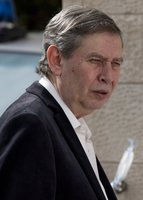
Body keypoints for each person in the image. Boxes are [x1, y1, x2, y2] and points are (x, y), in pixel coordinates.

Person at [0, 5, 123, 200]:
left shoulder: (67, 122)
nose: (108, 76)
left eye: (115, 63)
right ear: (56, 59)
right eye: (95, 60)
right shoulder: (31, 124)